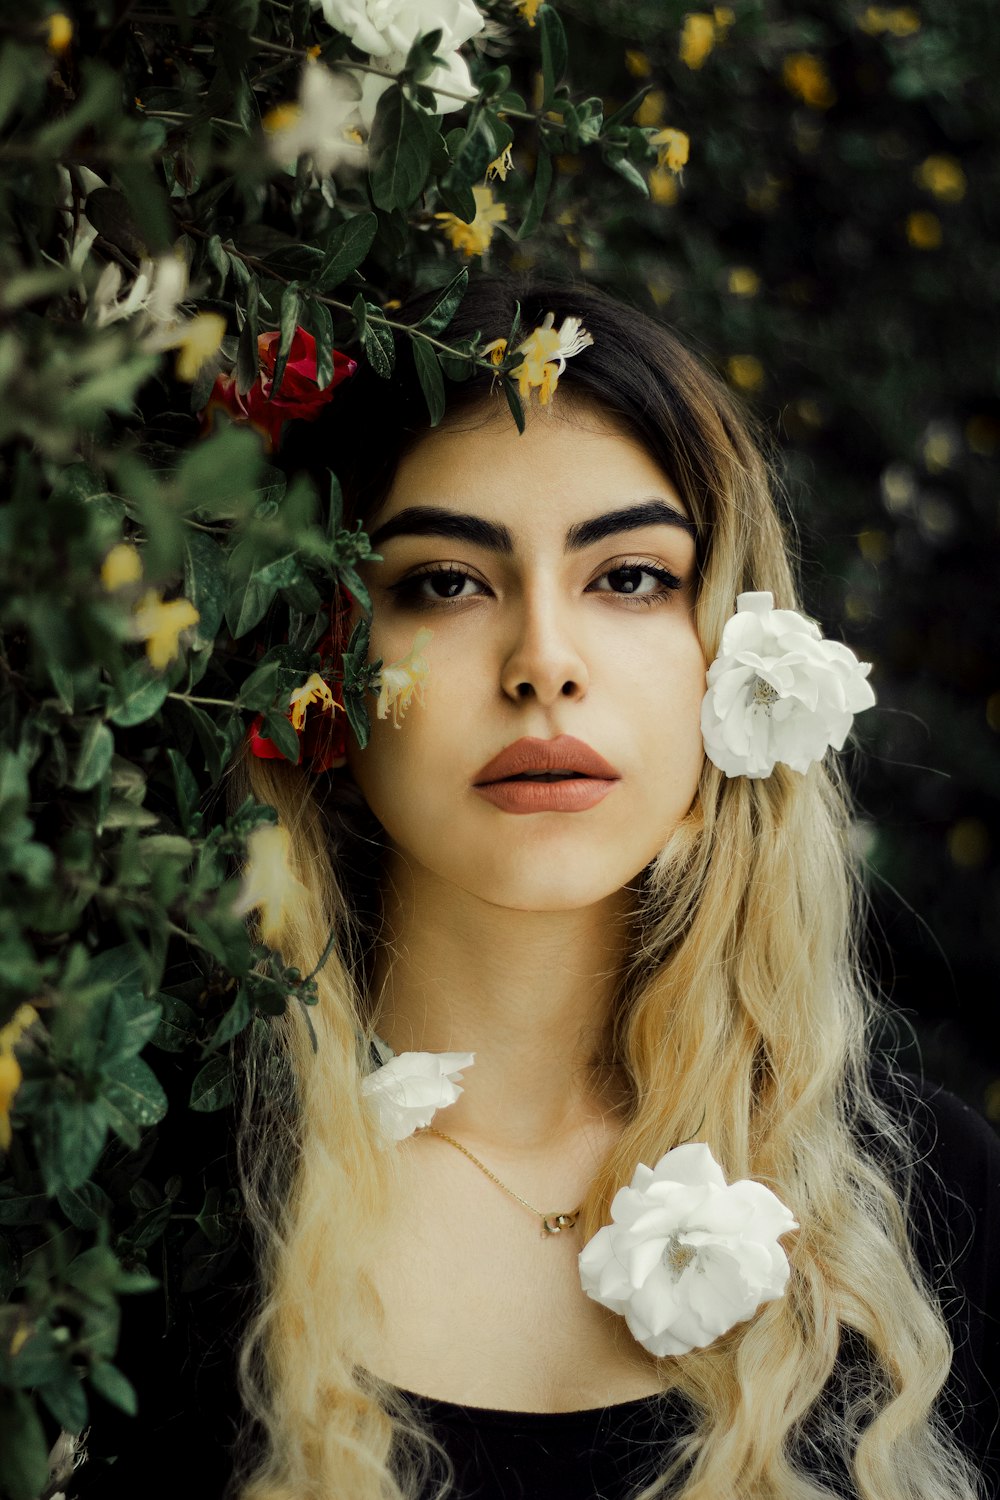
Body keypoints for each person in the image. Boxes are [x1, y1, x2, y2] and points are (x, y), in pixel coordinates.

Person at [84, 276, 1000, 1500]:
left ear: (732, 653)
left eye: (627, 577)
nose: (544, 665)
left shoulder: (934, 1204)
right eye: (445, 583)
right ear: (321, 674)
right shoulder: (149, 1220)